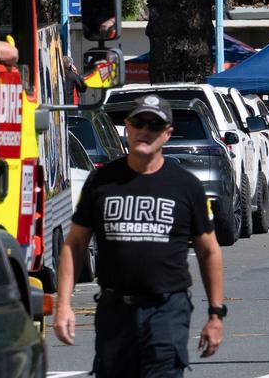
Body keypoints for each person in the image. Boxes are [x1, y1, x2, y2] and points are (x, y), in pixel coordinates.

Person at [54, 95, 225, 377]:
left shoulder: (185, 186)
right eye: (138, 122)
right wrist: (64, 305)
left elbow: (209, 251)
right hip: (115, 311)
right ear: (127, 127)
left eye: (154, 125)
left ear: (167, 133)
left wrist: (216, 315)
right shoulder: (102, 180)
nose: (145, 130)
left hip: (166, 311)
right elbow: (75, 244)